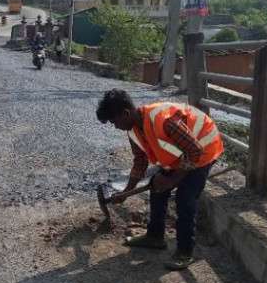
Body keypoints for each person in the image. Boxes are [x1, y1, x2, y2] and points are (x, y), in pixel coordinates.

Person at [96, 89, 224, 271]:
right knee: (156, 185)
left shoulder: (164, 121)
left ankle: (185, 252)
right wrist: (126, 191)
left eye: (114, 121)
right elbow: (140, 162)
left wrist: (172, 180)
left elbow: (195, 152)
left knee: (185, 198)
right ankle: (155, 236)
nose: (114, 126)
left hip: (204, 148)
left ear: (125, 113)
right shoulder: (133, 130)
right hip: (183, 153)